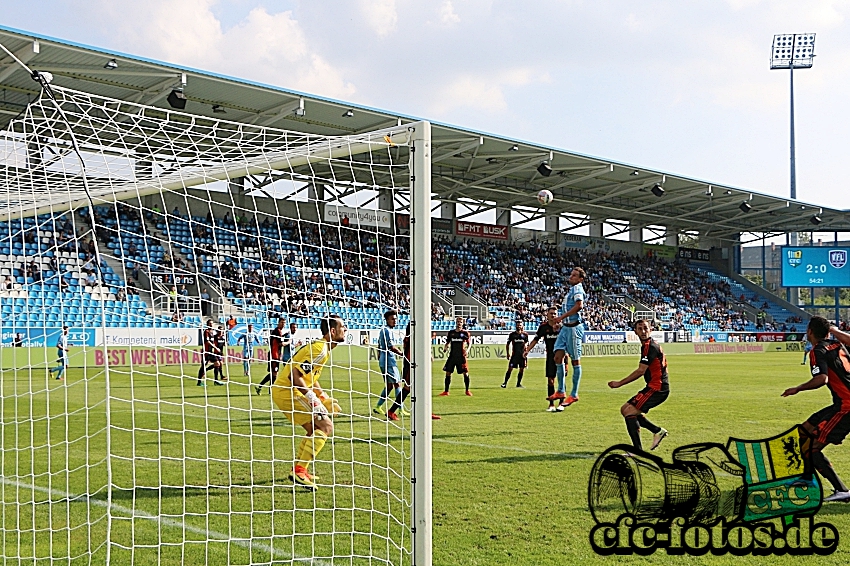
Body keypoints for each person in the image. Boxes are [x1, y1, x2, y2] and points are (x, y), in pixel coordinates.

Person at [271, 315, 347, 489]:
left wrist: (323, 397)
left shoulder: (323, 349)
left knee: (315, 429)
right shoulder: (320, 349)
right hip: (288, 391)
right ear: (333, 331)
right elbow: (295, 376)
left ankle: (298, 469)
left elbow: (310, 376)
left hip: (286, 390)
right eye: (343, 326)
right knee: (326, 426)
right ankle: (299, 471)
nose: (346, 329)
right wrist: (313, 399)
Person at [782, 316, 850, 502]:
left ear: (809, 331)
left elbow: (822, 379)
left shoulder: (817, 350)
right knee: (803, 431)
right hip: (840, 403)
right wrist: (834, 331)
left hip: (847, 406)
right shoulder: (838, 345)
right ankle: (807, 477)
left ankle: (842, 490)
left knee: (811, 449)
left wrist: (798, 388)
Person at [607, 319, 669, 451]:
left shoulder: (650, 346)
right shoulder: (648, 345)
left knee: (629, 411)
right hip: (655, 387)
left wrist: (619, 383)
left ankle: (638, 451)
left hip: (658, 388)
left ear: (651, 329)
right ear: (635, 331)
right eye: (640, 329)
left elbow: (641, 371)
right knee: (625, 409)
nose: (643, 331)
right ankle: (657, 431)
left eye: (645, 328)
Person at [548, 267, 586, 408]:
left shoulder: (577, 289)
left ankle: (574, 394)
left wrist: (561, 318)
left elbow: (579, 306)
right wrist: (562, 322)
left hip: (574, 328)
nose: (571, 277)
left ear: (580, 279)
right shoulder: (571, 290)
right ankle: (561, 391)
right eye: (571, 274)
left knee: (575, 362)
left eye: (574, 275)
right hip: (566, 328)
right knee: (557, 357)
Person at [526, 306, 561, 412]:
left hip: (561, 356)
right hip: (550, 357)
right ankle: (551, 404)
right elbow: (536, 339)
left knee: (561, 380)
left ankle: (561, 403)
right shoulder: (543, 327)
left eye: (555, 313)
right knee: (550, 381)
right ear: (547, 315)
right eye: (551, 313)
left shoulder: (561, 327)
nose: (553, 315)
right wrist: (527, 350)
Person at [374, 310, 404, 416]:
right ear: (387, 320)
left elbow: (379, 345)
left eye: (396, 319)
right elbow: (391, 347)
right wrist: (402, 354)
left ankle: (378, 406)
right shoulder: (387, 331)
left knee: (389, 386)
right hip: (389, 361)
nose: (395, 321)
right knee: (397, 384)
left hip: (383, 361)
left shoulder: (383, 330)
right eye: (392, 319)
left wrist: (380, 357)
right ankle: (401, 409)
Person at [439, 316, 472, 396]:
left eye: (460, 322)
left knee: (465, 373)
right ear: (456, 322)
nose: (459, 323)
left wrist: (467, 351)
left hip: (461, 356)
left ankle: (467, 390)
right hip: (452, 355)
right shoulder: (451, 333)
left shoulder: (465, 333)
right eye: (457, 322)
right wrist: (445, 347)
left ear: (462, 323)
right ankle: (446, 391)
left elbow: (469, 343)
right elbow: (448, 342)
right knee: (448, 373)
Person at [256, 318, 286, 395]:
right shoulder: (278, 331)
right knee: (275, 373)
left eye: (284, 323)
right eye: (282, 322)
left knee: (274, 373)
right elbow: (281, 344)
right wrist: (289, 341)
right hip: (274, 355)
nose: (283, 324)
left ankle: (261, 387)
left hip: (274, 354)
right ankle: (269, 389)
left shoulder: (276, 331)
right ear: (278, 322)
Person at [502, 320, 529, 389]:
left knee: (521, 369)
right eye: (517, 325)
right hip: (514, 356)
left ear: (522, 326)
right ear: (516, 326)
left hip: (522, 356)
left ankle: (518, 384)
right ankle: (505, 383)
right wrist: (508, 353)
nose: (519, 326)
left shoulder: (525, 335)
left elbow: (526, 344)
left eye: (520, 325)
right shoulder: (512, 335)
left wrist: (526, 353)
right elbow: (508, 344)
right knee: (510, 369)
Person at [196, 319, 217, 387]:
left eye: (212, 323)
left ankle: (216, 381)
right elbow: (207, 342)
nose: (211, 324)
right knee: (203, 366)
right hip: (206, 352)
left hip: (211, 351)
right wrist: (215, 347)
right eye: (210, 323)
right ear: (207, 324)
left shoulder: (213, 332)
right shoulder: (206, 331)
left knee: (218, 364)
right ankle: (199, 382)